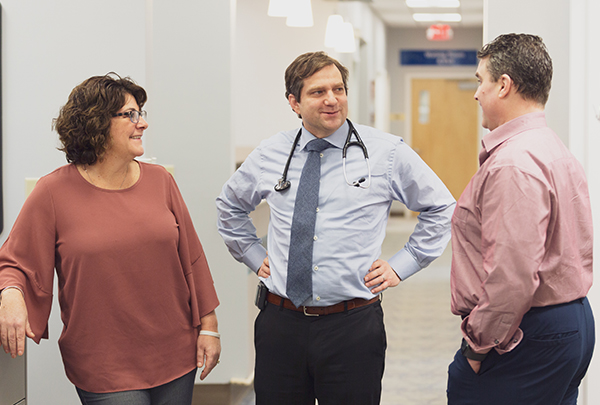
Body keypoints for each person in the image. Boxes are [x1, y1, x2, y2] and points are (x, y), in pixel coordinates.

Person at [216, 51, 455, 405]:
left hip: (352, 325)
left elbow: (441, 206)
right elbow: (229, 207)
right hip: (280, 324)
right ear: (294, 102)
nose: (332, 100)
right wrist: (253, 255)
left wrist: (402, 265)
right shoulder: (271, 153)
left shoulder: (385, 152)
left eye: (338, 89)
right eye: (317, 92)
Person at [0, 73, 221, 404]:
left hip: (175, 353)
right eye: (130, 115)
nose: (142, 124)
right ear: (96, 123)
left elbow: (192, 259)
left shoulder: (161, 181)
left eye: (141, 114)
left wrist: (209, 327)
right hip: (103, 363)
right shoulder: (52, 192)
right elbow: (15, 261)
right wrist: (12, 296)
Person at [447, 33, 595, 405]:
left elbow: (512, 273)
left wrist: (477, 347)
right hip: (568, 322)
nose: (477, 93)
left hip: (525, 330)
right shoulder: (551, 147)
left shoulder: (514, 163)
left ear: (504, 85)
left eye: (481, 80)